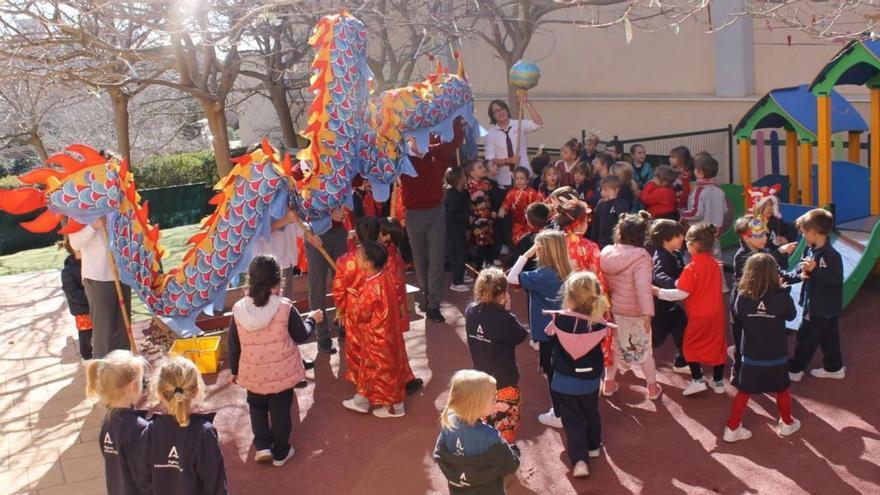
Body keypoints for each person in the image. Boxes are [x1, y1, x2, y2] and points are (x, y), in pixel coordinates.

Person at [228, 254, 321, 465]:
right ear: (278, 281)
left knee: (257, 407)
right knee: (280, 412)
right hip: (281, 373)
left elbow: (233, 343)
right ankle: (281, 451)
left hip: (253, 373)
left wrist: (235, 370)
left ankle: (262, 446)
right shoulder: (285, 307)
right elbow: (300, 335)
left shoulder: (239, 309)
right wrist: (312, 320)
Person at [725, 253, 801, 443]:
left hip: (751, 353)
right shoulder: (781, 295)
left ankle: (732, 428)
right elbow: (791, 316)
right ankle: (787, 423)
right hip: (776, 354)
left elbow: (738, 316)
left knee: (744, 391)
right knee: (782, 388)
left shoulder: (742, 296)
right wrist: (783, 293)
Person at [544, 271, 612, 478]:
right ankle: (593, 446)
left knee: (573, 419)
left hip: (564, 381)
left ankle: (579, 460)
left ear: (569, 297)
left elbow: (548, 334)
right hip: (590, 380)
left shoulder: (560, 319)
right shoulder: (600, 323)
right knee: (591, 411)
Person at [400, 117, 465, 324]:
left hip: (436, 210)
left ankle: (434, 304)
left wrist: (456, 117)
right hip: (413, 213)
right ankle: (427, 293)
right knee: (420, 260)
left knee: (436, 258)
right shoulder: (401, 156)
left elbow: (454, 143)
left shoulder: (435, 148)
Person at [506, 231, 570, 429]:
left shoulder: (541, 275)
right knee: (565, 370)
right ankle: (568, 408)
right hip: (567, 329)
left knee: (552, 374)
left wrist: (526, 255)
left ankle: (559, 413)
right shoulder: (569, 269)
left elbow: (511, 277)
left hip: (547, 332)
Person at [655, 224, 728, 396]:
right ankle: (718, 382)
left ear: (695, 244)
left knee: (690, 346)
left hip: (698, 315)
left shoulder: (691, 268)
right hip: (716, 312)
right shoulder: (714, 264)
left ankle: (698, 379)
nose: (685, 243)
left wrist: (658, 292)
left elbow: (681, 293)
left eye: (688, 241)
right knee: (718, 346)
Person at [138, 357, 228, 493]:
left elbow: (143, 480)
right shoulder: (204, 433)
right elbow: (216, 486)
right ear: (197, 390)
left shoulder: (150, 431)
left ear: (160, 393)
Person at [342, 241, 411, 418]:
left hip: (377, 336)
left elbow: (361, 314)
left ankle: (394, 407)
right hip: (386, 332)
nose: (355, 258)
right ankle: (362, 400)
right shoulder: (385, 276)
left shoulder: (371, 287)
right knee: (371, 369)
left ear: (368, 264)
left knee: (383, 371)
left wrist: (353, 303)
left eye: (359, 256)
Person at [600, 211, 662, 400]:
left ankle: (609, 383)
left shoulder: (607, 252)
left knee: (614, 347)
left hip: (613, 309)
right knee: (643, 350)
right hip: (635, 311)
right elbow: (643, 288)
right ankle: (652, 387)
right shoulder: (641, 257)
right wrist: (648, 314)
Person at [465, 268, 529, 444]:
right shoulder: (502, 317)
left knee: (486, 418)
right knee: (506, 421)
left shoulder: (470, 311)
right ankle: (504, 453)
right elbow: (521, 335)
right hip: (504, 379)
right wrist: (507, 311)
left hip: (481, 376)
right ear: (502, 294)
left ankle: (488, 448)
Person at [729, 216, 797, 378]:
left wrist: (800, 275)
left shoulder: (763, 251)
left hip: (761, 303)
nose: (765, 238)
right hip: (744, 305)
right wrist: (779, 252)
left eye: (765, 234)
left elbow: (777, 272)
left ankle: (761, 370)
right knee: (741, 341)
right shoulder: (742, 256)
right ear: (746, 237)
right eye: (759, 235)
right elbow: (761, 266)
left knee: (760, 338)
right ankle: (738, 371)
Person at [433, 370, 520, 495]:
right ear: (478, 405)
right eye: (493, 398)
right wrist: (514, 451)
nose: (496, 400)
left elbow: (440, 452)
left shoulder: (448, 424)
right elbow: (511, 465)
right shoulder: (490, 436)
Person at [787, 208, 845, 381]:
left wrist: (815, 270)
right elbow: (802, 267)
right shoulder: (810, 249)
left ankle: (795, 369)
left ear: (813, 232)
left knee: (806, 338)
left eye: (804, 233)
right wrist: (802, 270)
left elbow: (835, 279)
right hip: (819, 304)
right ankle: (834, 367)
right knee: (829, 338)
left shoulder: (831, 255)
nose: (803, 236)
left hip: (820, 306)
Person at [85, 350, 149, 495]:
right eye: (142, 381)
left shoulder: (107, 421)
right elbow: (145, 474)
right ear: (132, 386)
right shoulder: (139, 429)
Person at [68, 217, 131, 358]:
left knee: (124, 330)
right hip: (98, 277)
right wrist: (93, 226)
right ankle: (102, 375)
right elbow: (75, 243)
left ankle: (125, 372)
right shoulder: (78, 207)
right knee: (104, 332)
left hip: (122, 273)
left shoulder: (116, 201)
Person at [305, 206, 348, 354]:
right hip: (315, 236)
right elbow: (299, 207)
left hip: (338, 232)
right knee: (317, 287)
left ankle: (344, 326)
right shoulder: (302, 181)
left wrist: (341, 213)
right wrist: (308, 231)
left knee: (343, 283)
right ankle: (322, 336)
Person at [649, 219, 689, 373]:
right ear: (666, 239)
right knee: (655, 340)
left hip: (670, 305)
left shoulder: (676, 254)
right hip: (659, 308)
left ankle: (682, 362)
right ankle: (626, 354)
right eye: (678, 235)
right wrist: (676, 284)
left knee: (682, 327)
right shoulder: (660, 256)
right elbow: (659, 276)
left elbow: (683, 270)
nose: (682, 238)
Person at [484, 95, 544, 188]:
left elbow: (539, 124)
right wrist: (508, 160)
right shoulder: (490, 134)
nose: (500, 113)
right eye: (496, 111)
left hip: (524, 175)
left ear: (507, 110)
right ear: (492, 115)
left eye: (502, 109)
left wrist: (527, 104)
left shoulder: (519, 124)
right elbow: (490, 160)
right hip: (503, 180)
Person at [680, 153, 728, 259]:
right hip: (715, 232)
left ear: (700, 172)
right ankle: (718, 275)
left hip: (700, 234)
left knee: (700, 258)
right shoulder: (719, 191)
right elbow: (725, 210)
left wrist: (683, 214)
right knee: (716, 259)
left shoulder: (699, 191)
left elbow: (696, 213)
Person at [253, 207, 304, 300]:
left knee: (286, 302)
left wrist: (312, 234)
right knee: (268, 303)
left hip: (286, 261)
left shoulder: (288, 198)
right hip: (266, 265)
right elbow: (259, 233)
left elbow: (299, 228)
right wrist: (286, 220)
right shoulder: (260, 200)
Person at [60, 236, 93, 360]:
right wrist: (92, 297)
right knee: (86, 336)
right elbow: (73, 293)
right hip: (83, 310)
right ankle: (87, 357)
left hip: (98, 305)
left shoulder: (91, 263)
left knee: (101, 332)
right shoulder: (68, 272)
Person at [498, 167, 542, 249]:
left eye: (522, 178)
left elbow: (537, 204)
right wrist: (503, 208)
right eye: (517, 178)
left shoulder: (532, 192)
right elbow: (506, 202)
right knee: (517, 240)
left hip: (530, 222)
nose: (519, 181)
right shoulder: (512, 192)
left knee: (530, 240)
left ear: (527, 180)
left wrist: (530, 210)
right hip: (516, 222)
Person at [465, 159, 497, 269]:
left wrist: (493, 210)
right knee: (480, 243)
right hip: (476, 219)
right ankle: (478, 268)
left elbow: (493, 198)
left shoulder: (487, 183)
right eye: (479, 167)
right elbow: (466, 202)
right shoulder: (468, 186)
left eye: (483, 167)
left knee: (489, 241)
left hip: (487, 218)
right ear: (472, 173)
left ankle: (489, 262)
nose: (483, 169)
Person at [445, 166, 472, 292]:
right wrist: (465, 217)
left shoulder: (463, 193)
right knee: (457, 255)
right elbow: (451, 215)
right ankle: (456, 281)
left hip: (461, 229)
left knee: (463, 252)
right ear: (460, 179)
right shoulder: (452, 196)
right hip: (454, 231)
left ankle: (461, 273)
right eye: (464, 176)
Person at [509, 202, 551, 270]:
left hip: (529, 276)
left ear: (528, 221)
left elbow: (517, 264)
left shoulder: (525, 240)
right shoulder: (554, 233)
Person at [589, 175, 628, 248]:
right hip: (601, 243)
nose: (602, 193)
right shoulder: (600, 205)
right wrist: (593, 243)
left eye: (606, 190)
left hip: (615, 244)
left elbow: (622, 218)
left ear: (616, 190)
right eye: (602, 190)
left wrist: (612, 200)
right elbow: (595, 227)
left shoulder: (622, 204)